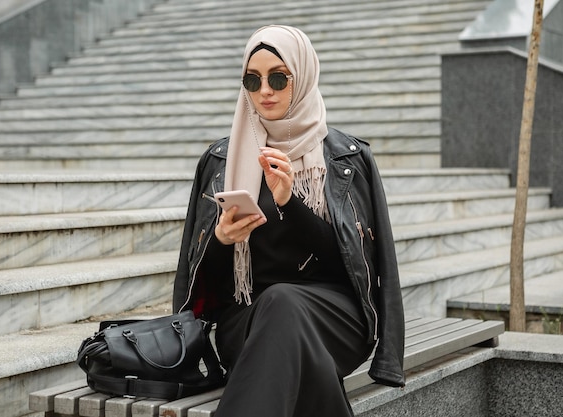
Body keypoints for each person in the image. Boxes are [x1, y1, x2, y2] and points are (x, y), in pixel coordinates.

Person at [173, 25, 405, 417]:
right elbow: (196, 278)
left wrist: (290, 203)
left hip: (336, 319)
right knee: (280, 308)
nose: (265, 91)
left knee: (284, 299)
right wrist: (221, 239)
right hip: (246, 322)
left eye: (278, 78)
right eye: (253, 80)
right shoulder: (219, 162)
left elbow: (365, 265)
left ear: (304, 76)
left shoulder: (348, 159)